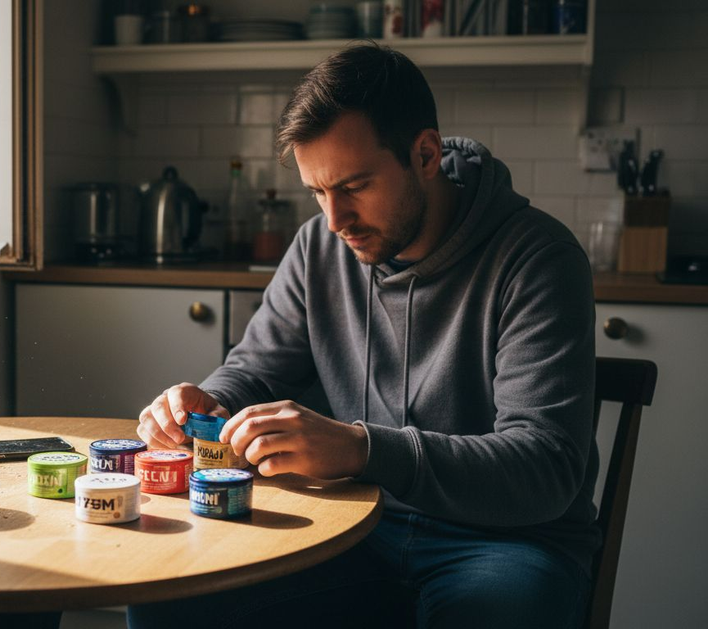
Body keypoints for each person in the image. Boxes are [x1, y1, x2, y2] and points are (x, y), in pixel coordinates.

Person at [131, 43, 597, 629]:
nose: (334, 219)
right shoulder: (319, 247)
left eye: (353, 185)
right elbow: (256, 371)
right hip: (352, 525)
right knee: (169, 602)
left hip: (506, 545)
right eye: (317, 192)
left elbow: (545, 468)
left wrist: (362, 449)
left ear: (425, 154)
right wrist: (208, 398)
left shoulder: (537, 259)